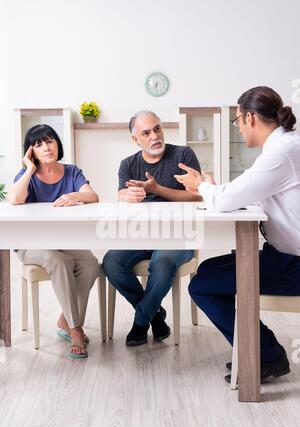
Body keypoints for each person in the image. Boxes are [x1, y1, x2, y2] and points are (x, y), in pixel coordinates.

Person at [174, 86, 298, 382]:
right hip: (284, 257)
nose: (240, 129)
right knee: (206, 270)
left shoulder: (282, 151)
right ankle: (261, 348)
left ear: (251, 118)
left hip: (292, 265)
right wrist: (213, 189)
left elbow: (228, 199)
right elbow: (244, 193)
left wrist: (202, 187)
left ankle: (265, 355)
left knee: (201, 286)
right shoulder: (281, 147)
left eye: (238, 121)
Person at [102, 110, 201, 346]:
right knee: (111, 262)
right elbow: (120, 195)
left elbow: (198, 197)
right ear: (135, 139)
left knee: (163, 261)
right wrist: (126, 196)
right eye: (146, 133)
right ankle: (155, 316)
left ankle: (140, 321)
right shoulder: (128, 164)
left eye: (157, 128)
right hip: (140, 233)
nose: (155, 135)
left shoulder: (183, 154)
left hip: (179, 234)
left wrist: (157, 189)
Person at [8, 124, 100, 359]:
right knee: (57, 260)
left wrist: (73, 195)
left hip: (61, 239)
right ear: (31, 152)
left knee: (90, 262)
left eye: (49, 141)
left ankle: (65, 319)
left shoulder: (70, 171)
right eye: (38, 144)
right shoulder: (27, 175)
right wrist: (29, 169)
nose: (45, 147)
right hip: (30, 244)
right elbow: (15, 200)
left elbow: (92, 196)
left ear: (57, 144)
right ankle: (75, 329)